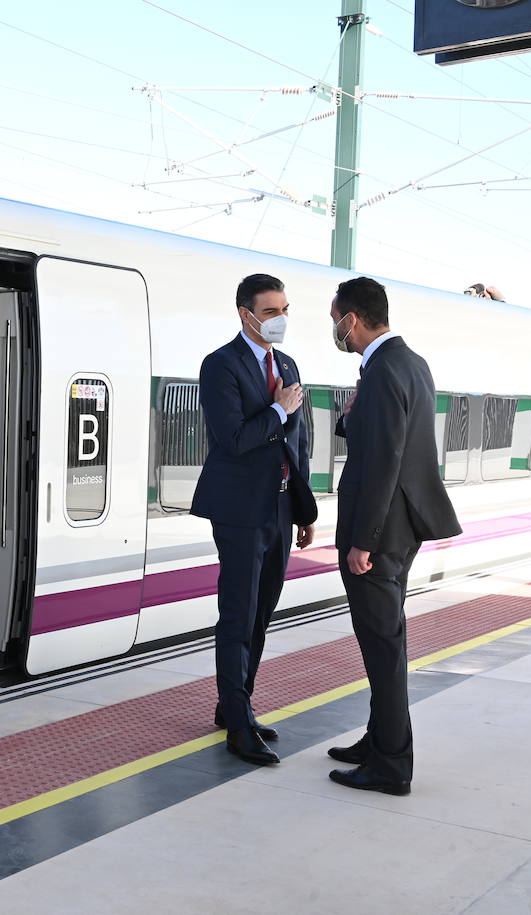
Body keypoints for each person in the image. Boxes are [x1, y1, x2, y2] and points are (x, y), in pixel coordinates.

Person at [327, 276, 462, 794]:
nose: (334, 329)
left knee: (382, 644)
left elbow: (384, 462)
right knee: (386, 639)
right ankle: (379, 737)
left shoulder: (383, 371)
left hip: (381, 531)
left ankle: (390, 764)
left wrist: (365, 539)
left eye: (334, 319)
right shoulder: (410, 362)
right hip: (405, 524)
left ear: (351, 320)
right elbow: (392, 438)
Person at [192, 273, 318, 766]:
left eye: (285, 309)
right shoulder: (220, 365)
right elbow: (233, 439)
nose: (280, 319)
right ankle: (239, 728)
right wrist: (278, 410)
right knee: (239, 615)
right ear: (246, 314)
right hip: (240, 511)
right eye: (271, 311)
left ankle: (234, 704)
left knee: (263, 613)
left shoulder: (285, 363)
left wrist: (305, 511)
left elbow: (299, 443)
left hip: (282, 508)